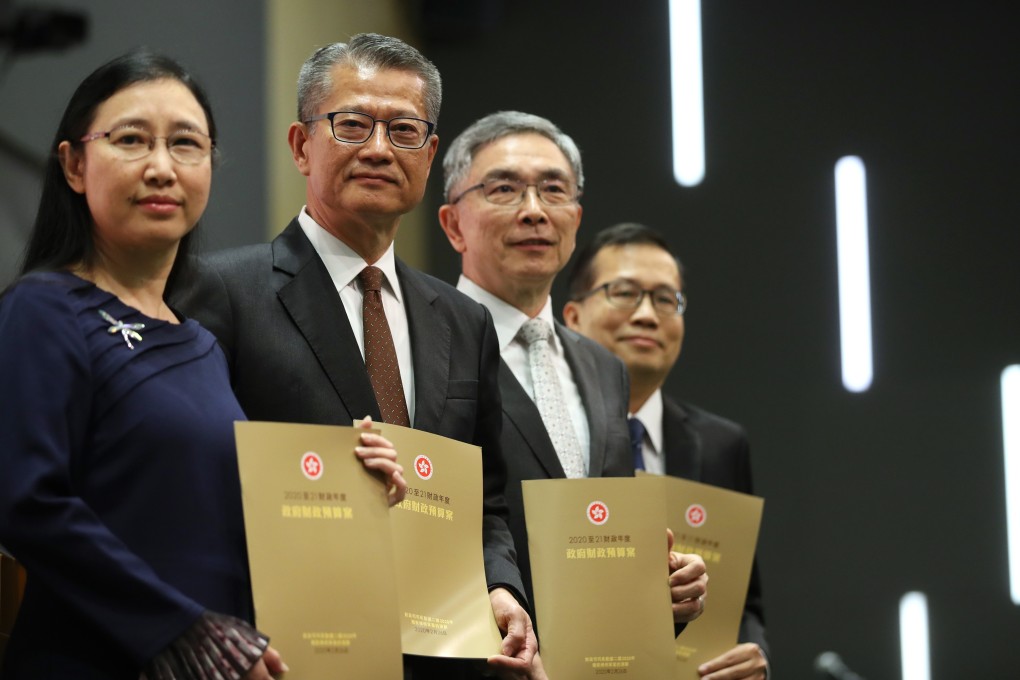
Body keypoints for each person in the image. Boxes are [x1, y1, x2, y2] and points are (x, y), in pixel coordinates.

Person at [172, 35, 537, 678]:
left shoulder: (463, 320)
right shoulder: (220, 290)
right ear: (300, 145)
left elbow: (486, 504)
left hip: (439, 660)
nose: (377, 149)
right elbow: (189, 483)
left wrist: (501, 587)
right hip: (285, 656)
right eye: (352, 124)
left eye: (403, 130)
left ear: (428, 155)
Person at [0, 50, 312, 679]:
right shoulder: (43, 309)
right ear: (74, 164)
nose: (162, 168)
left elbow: (210, 516)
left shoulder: (200, 343)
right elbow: (26, 501)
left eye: (186, 144)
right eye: (131, 140)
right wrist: (177, 628)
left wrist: (356, 483)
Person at [438, 112, 709, 635]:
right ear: (453, 225)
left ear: (576, 218)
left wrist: (661, 591)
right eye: (504, 189)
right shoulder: (426, 340)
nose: (534, 211)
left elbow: (605, 536)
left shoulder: (604, 367)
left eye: (553, 190)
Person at [563, 222, 771, 680]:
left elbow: (743, 600)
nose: (646, 315)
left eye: (665, 299)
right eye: (624, 293)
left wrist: (755, 654)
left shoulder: (721, 444)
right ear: (572, 317)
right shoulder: (546, 432)